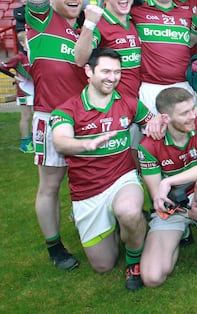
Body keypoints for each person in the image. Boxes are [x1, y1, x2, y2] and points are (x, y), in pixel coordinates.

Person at [50, 47, 159, 291]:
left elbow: (151, 121)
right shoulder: (67, 109)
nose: (112, 77)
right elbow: (60, 141)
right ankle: (119, 225)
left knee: (130, 212)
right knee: (103, 265)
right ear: (88, 71)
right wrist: (85, 144)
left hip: (123, 179)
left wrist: (158, 124)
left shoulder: (129, 103)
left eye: (117, 72)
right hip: (87, 192)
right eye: (106, 71)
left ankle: (133, 263)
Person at [26, 0, 87, 271]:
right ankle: (54, 247)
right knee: (51, 184)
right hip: (50, 116)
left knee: (87, 177)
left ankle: (93, 228)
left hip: (83, 116)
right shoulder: (40, 21)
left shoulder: (81, 31)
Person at [139, 87, 197, 285]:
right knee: (153, 277)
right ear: (166, 118)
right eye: (184, 113)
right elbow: (158, 199)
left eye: (192, 109)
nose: (192, 116)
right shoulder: (148, 146)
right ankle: (183, 231)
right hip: (173, 207)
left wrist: (168, 181)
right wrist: (188, 214)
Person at [130, 0, 197, 113]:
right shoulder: (136, 11)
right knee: (153, 134)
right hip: (150, 88)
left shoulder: (187, 15)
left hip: (183, 86)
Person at [75, 0, 142, 100]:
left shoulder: (133, 21)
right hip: (112, 106)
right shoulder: (99, 24)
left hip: (136, 103)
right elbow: (80, 60)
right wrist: (89, 24)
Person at [0, 31, 33, 152]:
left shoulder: (34, 55)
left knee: (36, 116)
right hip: (24, 91)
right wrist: (13, 76)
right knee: (26, 116)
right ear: (22, 43)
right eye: (28, 40)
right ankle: (25, 142)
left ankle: (34, 139)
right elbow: (2, 67)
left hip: (37, 91)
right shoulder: (19, 57)